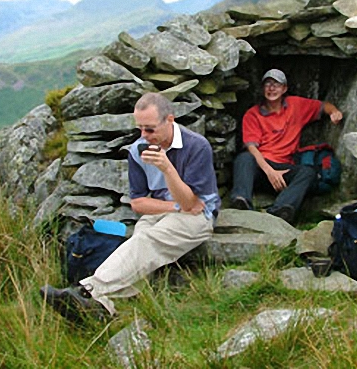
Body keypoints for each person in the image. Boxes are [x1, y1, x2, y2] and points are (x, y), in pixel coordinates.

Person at [40, 92, 221, 322]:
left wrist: (167, 169)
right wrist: (174, 207)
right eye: (140, 129)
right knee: (141, 238)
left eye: (150, 129)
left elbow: (193, 204)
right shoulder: (138, 149)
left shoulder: (197, 146)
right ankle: (103, 309)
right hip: (166, 211)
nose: (144, 136)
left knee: (148, 240)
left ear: (170, 120)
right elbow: (139, 203)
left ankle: (88, 290)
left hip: (201, 216)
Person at [229, 69, 343, 223]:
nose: (271, 88)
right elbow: (251, 147)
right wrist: (270, 172)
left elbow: (323, 106)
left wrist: (334, 112)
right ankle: (241, 201)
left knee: (308, 172)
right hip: (261, 168)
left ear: (284, 89)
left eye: (276, 85)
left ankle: (281, 209)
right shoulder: (253, 114)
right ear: (263, 89)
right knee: (244, 158)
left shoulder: (295, 106)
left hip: (284, 170)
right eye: (268, 84)